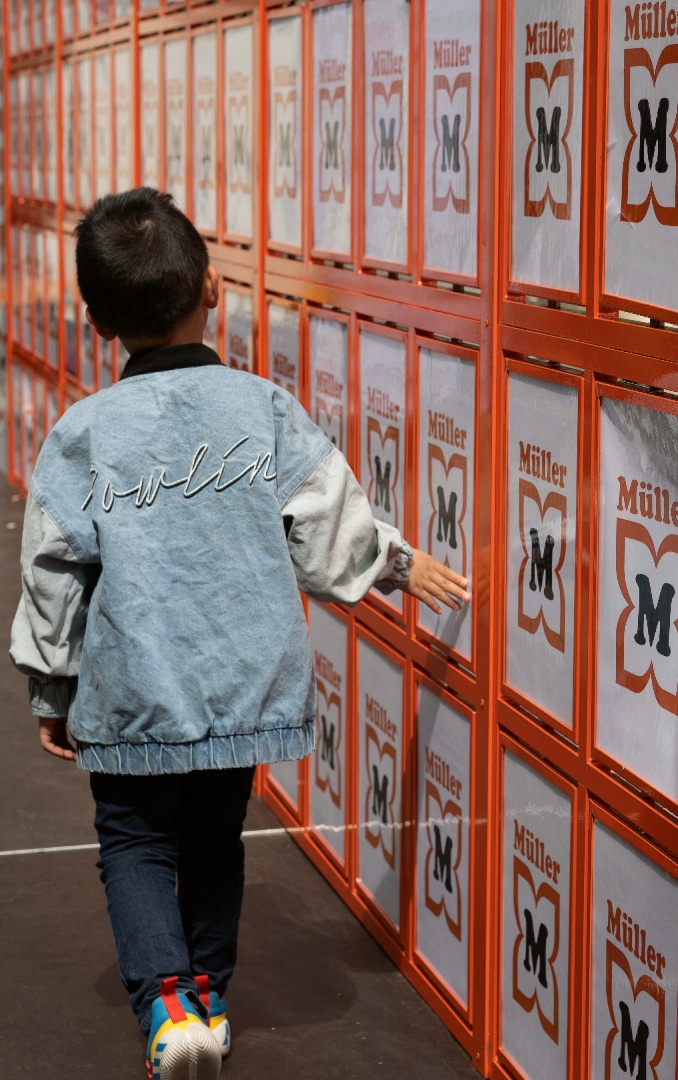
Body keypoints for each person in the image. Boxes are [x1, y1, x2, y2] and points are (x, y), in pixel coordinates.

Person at [8, 187, 470, 1080]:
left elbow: (52, 568)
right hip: (242, 686)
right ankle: (207, 994)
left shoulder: (84, 432)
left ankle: (168, 1004)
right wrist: (404, 567)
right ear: (213, 289)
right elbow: (329, 534)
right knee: (218, 832)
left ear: (95, 320)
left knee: (136, 841)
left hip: (133, 690)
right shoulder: (263, 408)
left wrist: (52, 689)